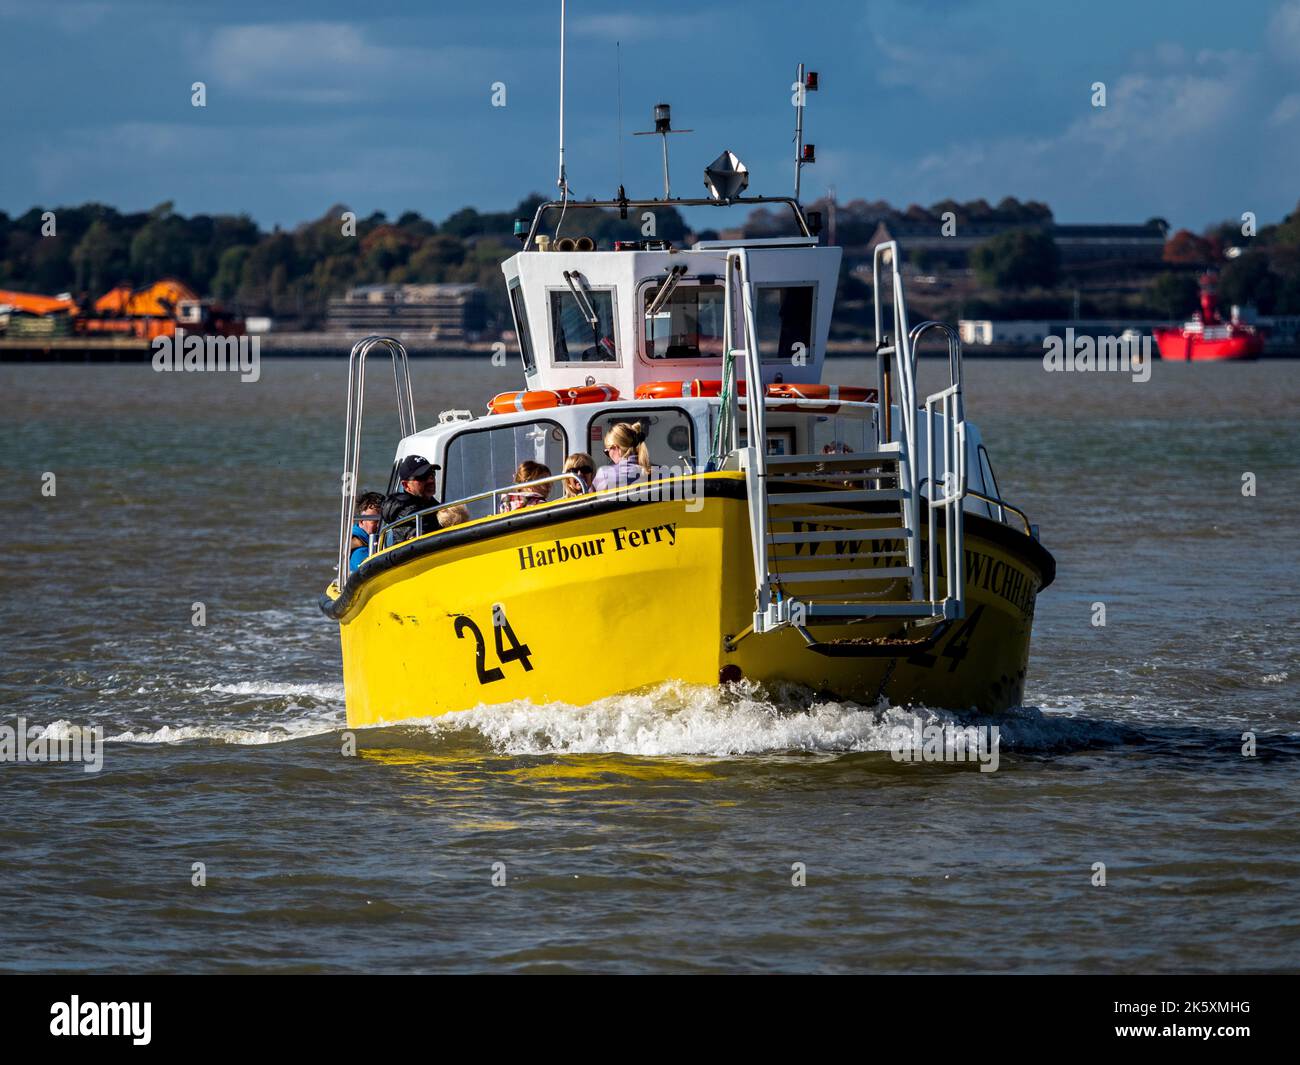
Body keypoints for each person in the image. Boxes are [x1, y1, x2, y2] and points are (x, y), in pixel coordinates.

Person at [381, 455, 441, 543]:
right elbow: (423, 539)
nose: (430, 481)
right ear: (406, 485)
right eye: (422, 477)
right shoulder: (405, 511)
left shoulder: (431, 504)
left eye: (431, 474)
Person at [592, 422, 652, 492]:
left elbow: (589, 499)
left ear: (615, 448)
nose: (609, 457)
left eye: (607, 452)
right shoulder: (659, 473)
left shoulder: (604, 474)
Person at [348, 492, 385, 572]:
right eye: (375, 521)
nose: (379, 525)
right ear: (361, 521)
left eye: (383, 520)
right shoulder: (359, 552)